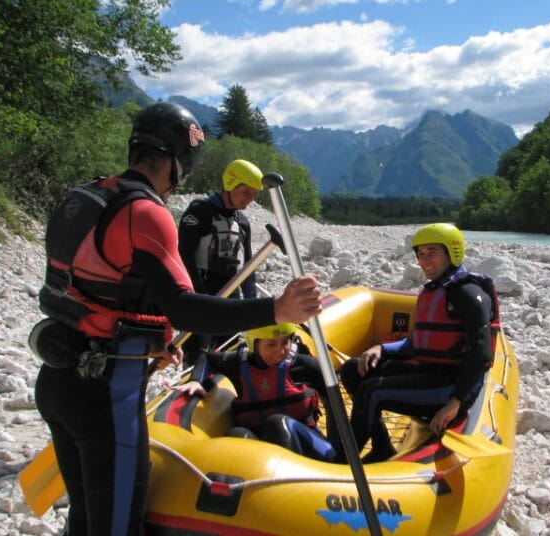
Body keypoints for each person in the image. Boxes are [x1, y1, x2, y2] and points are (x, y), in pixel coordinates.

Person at [31, 101, 322, 536]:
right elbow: (184, 307)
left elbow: (101, 290)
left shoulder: (85, 197)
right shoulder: (145, 212)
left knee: (86, 517)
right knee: (117, 525)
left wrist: (151, 336)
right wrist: (276, 310)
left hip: (57, 379)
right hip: (106, 394)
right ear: (176, 161)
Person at [339, 223, 499, 463]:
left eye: (432, 252)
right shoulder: (435, 290)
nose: (425, 261)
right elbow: (418, 343)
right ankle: (382, 447)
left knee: (372, 391)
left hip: (450, 386)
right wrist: (381, 349)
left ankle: (344, 464)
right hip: (427, 373)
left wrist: (455, 403)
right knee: (353, 369)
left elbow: (482, 355)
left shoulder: (466, 294)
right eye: (421, 254)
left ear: (452, 252)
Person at [174, 323, 337, 462]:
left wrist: (338, 451)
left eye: (285, 342)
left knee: (278, 424)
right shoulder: (238, 364)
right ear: (254, 344)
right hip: (262, 453)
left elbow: (334, 407)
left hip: (309, 449)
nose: (280, 351)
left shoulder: (303, 365)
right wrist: (196, 380)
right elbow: (207, 358)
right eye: (271, 344)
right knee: (236, 435)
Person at [178, 159, 262, 363]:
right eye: (246, 192)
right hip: (200, 297)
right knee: (198, 358)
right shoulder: (198, 213)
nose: (250, 199)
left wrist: (251, 304)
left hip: (230, 299)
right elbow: (184, 255)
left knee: (230, 356)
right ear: (230, 184)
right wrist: (199, 297)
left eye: (253, 194)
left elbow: (248, 265)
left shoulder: (242, 223)